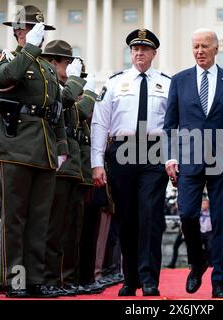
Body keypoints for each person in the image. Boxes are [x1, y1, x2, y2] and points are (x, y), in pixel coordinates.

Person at [0, 5, 68, 298]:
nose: (39, 35)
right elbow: (3, 80)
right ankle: (16, 281)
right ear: (19, 31)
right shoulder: (7, 57)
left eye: (39, 30)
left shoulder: (46, 67)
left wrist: (62, 148)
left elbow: (55, 111)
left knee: (39, 221)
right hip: (15, 145)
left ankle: (35, 280)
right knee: (14, 221)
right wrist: (30, 48)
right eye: (31, 28)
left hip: (43, 149)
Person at [164, 28, 223, 298]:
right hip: (188, 160)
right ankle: (197, 260)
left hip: (222, 159)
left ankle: (218, 282)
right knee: (188, 213)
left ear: (216, 49)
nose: (199, 51)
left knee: (220, 221)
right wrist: (171, 156)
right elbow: (170, 125)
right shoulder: (179, 81)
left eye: (204, 46)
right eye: (195, 47)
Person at [91, 28, 171, 296]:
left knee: (150, 215)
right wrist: (97, 162)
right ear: (130, 52)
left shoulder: (166, 83)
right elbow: (100, 123)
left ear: (153, 53)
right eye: (135, 49)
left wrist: (174, 158)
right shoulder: (115, 82)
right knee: (126, 217)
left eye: (145, 49)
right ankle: (130, 278)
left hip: (153, 152)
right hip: (122, 151)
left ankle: (149, 279)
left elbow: (173, 125)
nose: (139, 53)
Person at [40, 40, 97, 296]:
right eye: (66, 63)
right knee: (56, 229)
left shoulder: (65, 89)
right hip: (60, 165)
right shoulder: (56, 89)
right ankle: (53, 278)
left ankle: (66, 278)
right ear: (54, 63)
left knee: (70, 229)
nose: (70, 69)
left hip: (73, 166)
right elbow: (69, 113)